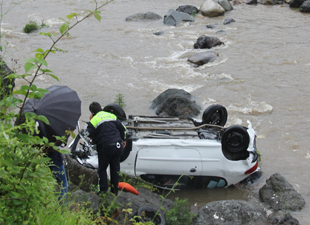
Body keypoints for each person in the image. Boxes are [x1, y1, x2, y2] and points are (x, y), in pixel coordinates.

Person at [85, 102, 126, 196]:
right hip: (117, 145)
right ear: (101, 108)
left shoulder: (94, 119)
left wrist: (90, 122)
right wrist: (124, 140)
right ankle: (114, 190)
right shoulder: (112, 115)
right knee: (115, 169)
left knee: (102, 169)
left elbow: (87, 134)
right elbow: (123, 129)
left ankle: (103, 191)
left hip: (105, 146)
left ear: (92, 112)